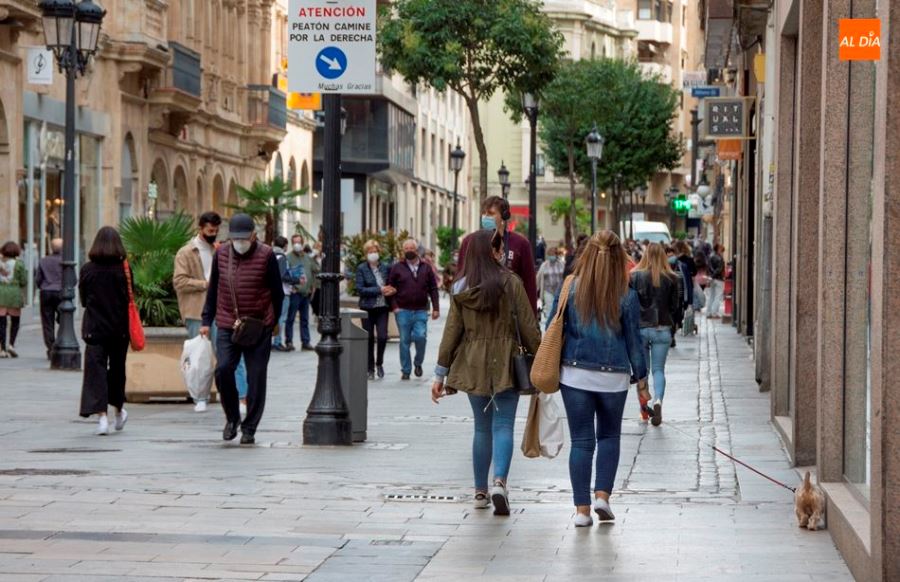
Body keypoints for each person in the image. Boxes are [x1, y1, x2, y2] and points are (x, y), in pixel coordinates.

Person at [431, 229, 541, 515]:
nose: (502, 252)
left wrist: (439, 373)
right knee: (503, 425)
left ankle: (480, 491)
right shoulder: (511, 282)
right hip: (507, 360)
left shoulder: (461, 288)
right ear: (490, 251)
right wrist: (542, 360)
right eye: (498, 247)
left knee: (481, 428)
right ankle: (499, 483)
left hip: (473, 362)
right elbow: (529, 327)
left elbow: (452, 332)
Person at [545, 230, 649, 527]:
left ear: (587, 255)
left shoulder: (571, 288)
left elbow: (554, 324)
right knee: (608, 436)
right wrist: (642, 382)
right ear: (620, 258)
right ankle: (602, 495)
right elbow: (634, 343)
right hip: (613, 378)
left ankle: (581, 511)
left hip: (575, 375)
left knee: (581, 441)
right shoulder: (626, 295)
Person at [201, 214, 284, 445]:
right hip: (229, 322)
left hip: (258, 325)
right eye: (235, 238)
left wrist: (271, 321)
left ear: (253, 236)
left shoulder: (266, 255)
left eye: (244, 238)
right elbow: (213, 290)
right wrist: (207, 319)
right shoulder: (222, 254)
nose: (239, 242)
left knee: (256, 377)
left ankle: (250, 428)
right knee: (223, 369)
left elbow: (277, 292)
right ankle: (232, 418)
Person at [174, 212, 249, 413]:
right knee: (201, 357)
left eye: (216, 231)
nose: (213, 234)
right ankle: (201, 397)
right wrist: (206, 284)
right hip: (197, 311)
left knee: (232, 354)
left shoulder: (223, 250)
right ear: (200, 228)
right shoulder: (186, 252)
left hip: (223, 310)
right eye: (209, 231)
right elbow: (179, 281)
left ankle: (242, 397)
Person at [78, 227, 130, 435]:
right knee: (117, 370)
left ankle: (102, 418)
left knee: (95, 371)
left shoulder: (87, 269)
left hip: (94, 329)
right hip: (119, 329)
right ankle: (118, 411)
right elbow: (128, 299)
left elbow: (83, 299)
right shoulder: (123, 269)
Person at [630, 243, 682, 426]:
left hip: (641, 329)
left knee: (641, 372)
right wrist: (674, 326)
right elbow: (676, 307)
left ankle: (644, 411)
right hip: (663, 328)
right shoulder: (672, 278)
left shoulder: (634, 276)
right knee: (659, 370)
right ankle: (658, 400)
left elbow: (629, 305)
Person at [458, 196, 537, 314]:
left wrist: (532, 317)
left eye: (490, 213)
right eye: (483, 213)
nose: (485, 217)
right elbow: (460, 279)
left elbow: (529, 284)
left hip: (509, 314)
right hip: (475, 314)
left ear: (504, 217)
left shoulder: (521, 244)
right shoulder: (469, 242)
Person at [388, 238, 440, 380]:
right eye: (406, 249)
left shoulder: (426, 268)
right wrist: (395, 307)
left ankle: (418, 363)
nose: (409, 251)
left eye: (412, 248)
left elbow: (433, 289)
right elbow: (390, 288)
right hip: (403, 310)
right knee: (404, 340)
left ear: (417, 250)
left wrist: (436, 308)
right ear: (403, 251)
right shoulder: (397, 268)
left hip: (421, 311)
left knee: (421, 337)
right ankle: (406, 370)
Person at [356, 240, 393, 380]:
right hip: (368, 307)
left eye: (375, 251)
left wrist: (391, 289)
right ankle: (369, 368)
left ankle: (379, 363)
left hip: (382, 307)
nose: (373, 254)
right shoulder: (361, 268)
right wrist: (379, 289)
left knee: (383, 336)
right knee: (369, 337)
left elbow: (391, 283)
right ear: (366, 254)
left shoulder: (385, 267)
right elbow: (360, 289)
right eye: (370, 252)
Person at [285, 235, 318, 351]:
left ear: (303, 243)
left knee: (305, 319)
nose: (297, 244)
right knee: (291, 318)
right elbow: (286, 275)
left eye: (299, 242)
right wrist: (291, 286)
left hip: (306, 293)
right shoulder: (288, 257)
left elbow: (315, 270)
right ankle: (289, 341)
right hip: (295, 292)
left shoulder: (307, 258)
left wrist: (313, 285)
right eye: (294, 242)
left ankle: (306, 342)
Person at [272, 236, 301, 352]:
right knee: (280, 318)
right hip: (283, 292)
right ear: (285, 245)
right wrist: (296, 280)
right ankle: (277, 341)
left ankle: (273, 340)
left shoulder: (271, 255)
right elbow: (283, 275)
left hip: (273, 291)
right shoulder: (282, 258)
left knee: (275, 317)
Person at [36, 238, 63, 359]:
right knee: (64, 318)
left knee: (47, 321)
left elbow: (38, 279)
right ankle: (59, 344)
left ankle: (51, 347)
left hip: (46, 291)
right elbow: (73, 279)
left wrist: (42, 286)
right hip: (61, 292)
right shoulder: (65, 261)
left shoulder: (43, 261)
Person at [0, 242, 27, 358]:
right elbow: (23, 281)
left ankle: (2, 349)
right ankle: (11, 345)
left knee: (1, 323)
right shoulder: (19, 264)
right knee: (15, 322)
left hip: (1, 294)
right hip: (14, 295)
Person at [535, 245, 564, 327]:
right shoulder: (544, 265)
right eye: (550, 254)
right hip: (548, 291)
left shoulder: (561, 264)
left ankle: (556, 327)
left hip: (559, 291)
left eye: (553, 254)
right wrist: (536, 289)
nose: (551, 256)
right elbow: (538, 278)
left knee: (558, 311)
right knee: (550, 310)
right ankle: (550, 328)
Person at [706, 243, 726, 318]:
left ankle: (708, 313)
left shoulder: (710, 256)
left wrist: (711, 277)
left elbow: (709, 267)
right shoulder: (720, 258)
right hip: (718, 279)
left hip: (712, 279)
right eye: (722, 251)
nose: (722, 252)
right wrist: (714, 276)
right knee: (718, 296)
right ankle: (714, 313)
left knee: (711, 295)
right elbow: (719, 269)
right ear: (718, 249)